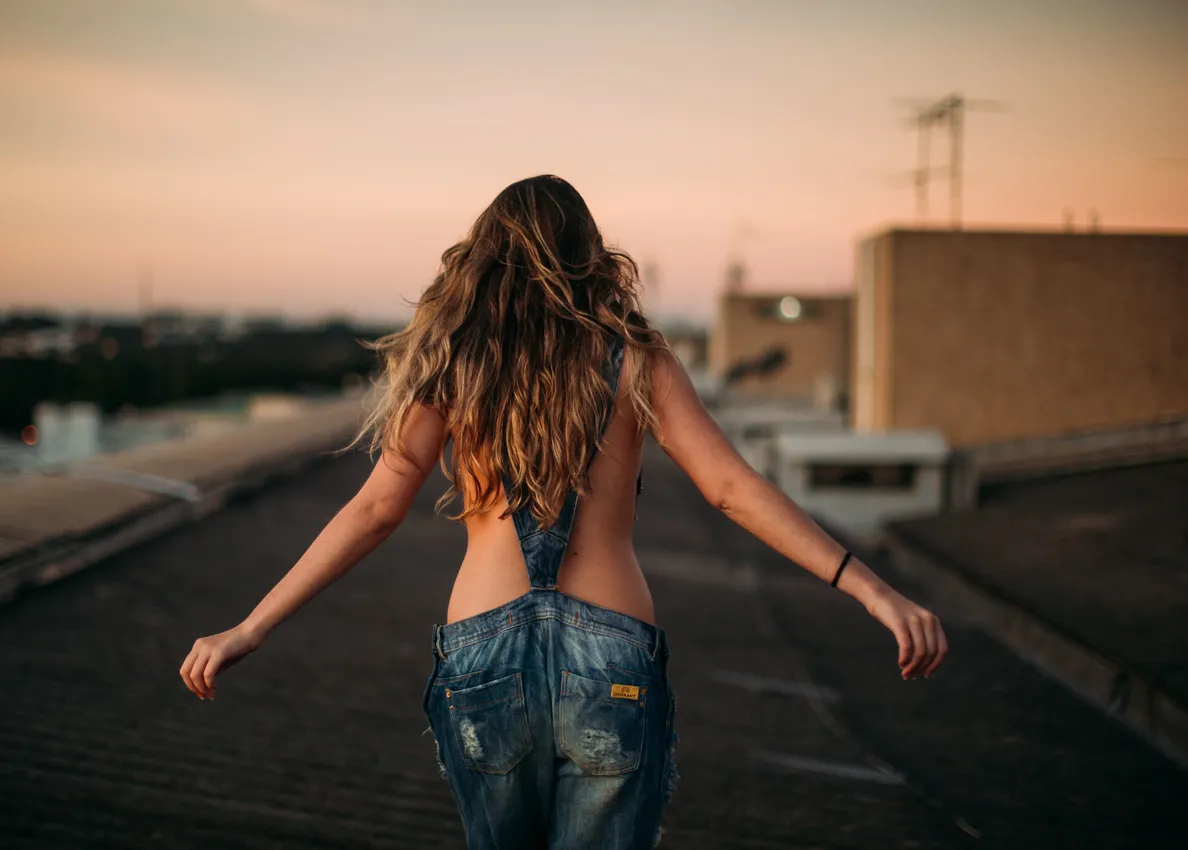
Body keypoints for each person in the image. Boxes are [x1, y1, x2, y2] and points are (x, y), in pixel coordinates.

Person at [179, 175, 947, 849]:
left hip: (483, 653)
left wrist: (251, 626)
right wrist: (871, 588)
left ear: (484, 255)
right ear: (591, 255)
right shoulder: (636, 357)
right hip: (610, 656)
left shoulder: (454, 361)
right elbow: (731, 489)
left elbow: (377, 508)